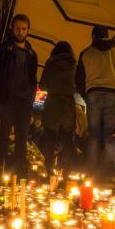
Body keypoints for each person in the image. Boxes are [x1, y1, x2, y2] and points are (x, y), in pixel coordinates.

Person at [76, 25, 115, 177]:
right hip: (114, 95)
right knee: (110, 136)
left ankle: (91, 171)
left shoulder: (86, 53)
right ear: (108, 36)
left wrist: (86, 96)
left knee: (94, 135)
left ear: (93, 36)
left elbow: (79, 80)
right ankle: (107, 172)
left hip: (93, 95)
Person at [0, 14, 38, 176]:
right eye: (17, 28)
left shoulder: (32, 54)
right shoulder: (4, 49)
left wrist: (31, 97)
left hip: (24, 100)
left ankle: (20, 171)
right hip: (6, 98)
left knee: (22, 136)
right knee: (2, 132)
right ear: (12, 28)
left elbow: (33, 78)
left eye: (23, 29)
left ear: (28, 30)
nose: (20, 32)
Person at [38, 41, 77, 174]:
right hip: (68, 107)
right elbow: (76, 85)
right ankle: (67, 173)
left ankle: (48, 171)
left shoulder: (50, 63)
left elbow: (43, 85)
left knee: (49, 139)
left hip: (52, 105)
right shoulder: (73, 65)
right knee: (67, 141)